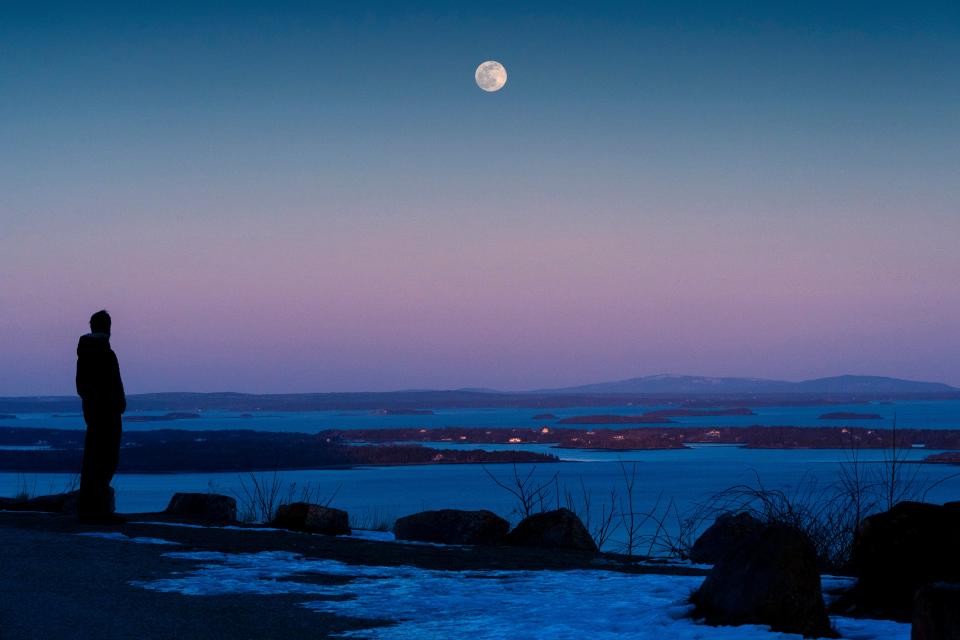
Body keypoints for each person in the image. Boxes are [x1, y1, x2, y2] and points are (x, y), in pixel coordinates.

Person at [76, 309, 127, 524]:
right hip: (107, 414)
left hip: (94, 414)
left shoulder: (85, 354)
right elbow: (113, 384)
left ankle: (90, 508)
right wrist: (116, 404)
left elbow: (82, 386)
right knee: (106, 460)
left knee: (93, 461)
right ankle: (98, 510)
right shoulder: (106, 354)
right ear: (108, 328)